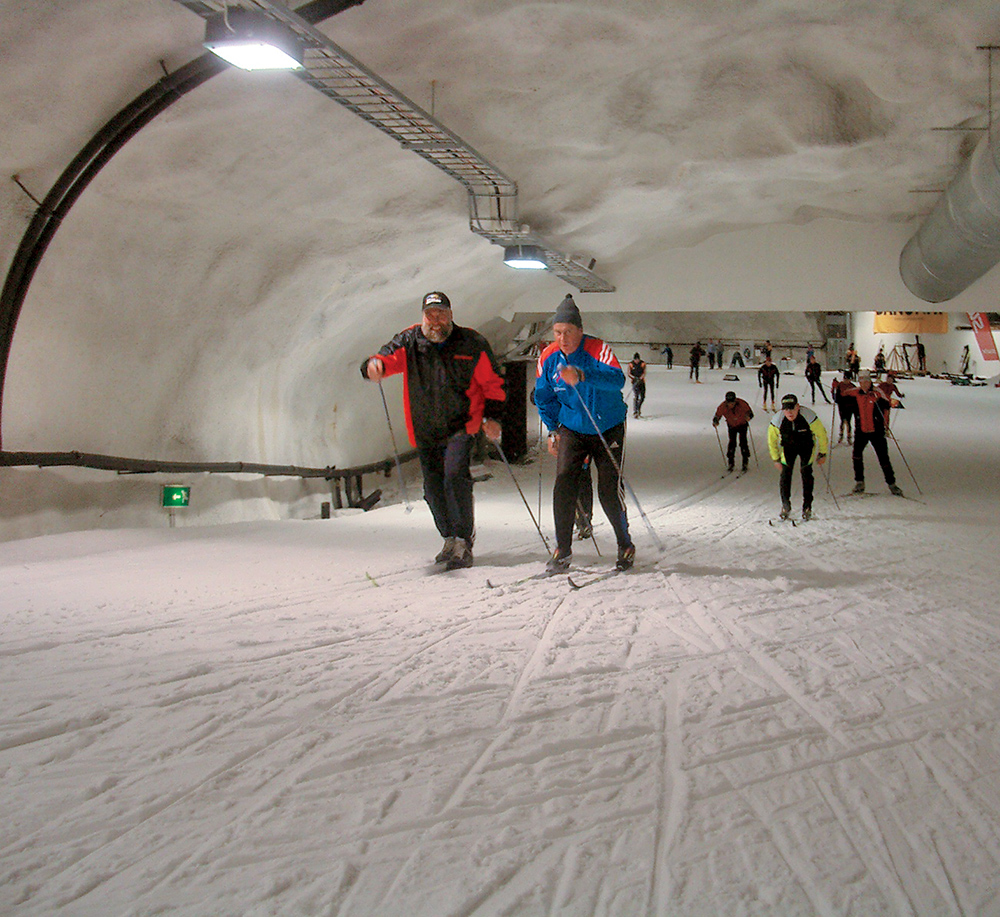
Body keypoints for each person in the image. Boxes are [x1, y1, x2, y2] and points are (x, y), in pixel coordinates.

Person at [361, 290, 505, 569]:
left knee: (454, 476)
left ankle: (463, 538)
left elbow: (493, 383)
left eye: (441, 313)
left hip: (462, 425)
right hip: (425, 429)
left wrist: (492, 416)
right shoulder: (409, 341)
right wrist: (373, 366)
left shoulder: (472, 343)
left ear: (451, 314)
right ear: (422, 317)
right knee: (433, 488)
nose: (435, 320)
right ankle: (449, 536)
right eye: (430, 314)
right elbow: (385, 359)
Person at [535, 295, 634, 572]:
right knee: (564, 482)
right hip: (572, 428)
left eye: (568, 332)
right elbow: (543, 397)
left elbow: (617, 380)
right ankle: (562, 549)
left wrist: (583, 375)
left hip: (607, 426)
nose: (562, 338)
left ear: (579, 330)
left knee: (607, 490)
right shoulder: (549, 357)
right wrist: (552, 430)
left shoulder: (598, 349)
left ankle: (625, 543)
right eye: (557, 333)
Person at [841, 370, 903, 496]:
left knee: (883, 457)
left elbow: (887, 403)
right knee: (856, 455)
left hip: (876, 431)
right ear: (859, 382)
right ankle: (859, 482)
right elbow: (843, 395)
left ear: (870, 382)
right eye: (862, 381)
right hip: (861, 430)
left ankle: (892, 484)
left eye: (867, 381)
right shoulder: (856, 392)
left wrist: (878, 400)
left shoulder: (877, 392)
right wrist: (837, 392)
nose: (864, 384)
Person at [767, 394, 828, 521]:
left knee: (806, 472)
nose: (789, 412)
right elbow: (771, 440)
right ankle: (785, 505)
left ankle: (807, 506)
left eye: (792, 408)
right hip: (788, 448)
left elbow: (821, 434)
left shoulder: (808, 416)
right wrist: (776, 459)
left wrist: (822, 453)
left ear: (798, 407)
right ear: (782, 409)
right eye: (786, 409)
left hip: (807, 447)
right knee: (785, 474)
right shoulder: (778, 419)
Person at [713, 391, 754, 473]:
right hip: (731, 425)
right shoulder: (723, 406)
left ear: (735, 401)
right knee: (732, 443)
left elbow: (750, 413)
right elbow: (717, 415)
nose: (731, 405)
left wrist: (749, 417)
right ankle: (731, 462)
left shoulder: (742, 404)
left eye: (732, 403)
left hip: (742, 424)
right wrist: (716, 421)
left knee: (743, 442)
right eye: (729, 403)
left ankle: (745, 462)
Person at [831, 370, 854, 444]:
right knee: (843, 420)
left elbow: (855, 397)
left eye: (848, 379)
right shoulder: (840, 385)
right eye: (845, 379)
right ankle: (841, 434)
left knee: (848, 421)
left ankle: (849, 436)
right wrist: (835, 397)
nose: (846, 381)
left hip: (850, 406)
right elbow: (836, 396)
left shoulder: (852, 386)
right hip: (842, 406)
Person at [628, 352, 647, 418]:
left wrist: (641, 377)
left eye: (637, 359)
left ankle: (638, 408)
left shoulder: (642, 364)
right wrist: (634, 378)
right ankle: (635, 411)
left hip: (641, 382)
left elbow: (644, 372)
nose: (637, 361)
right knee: (636, 396)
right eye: (635, 360)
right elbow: (629, 373)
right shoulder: (631, 364)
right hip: (635, 382)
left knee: (642, 397)